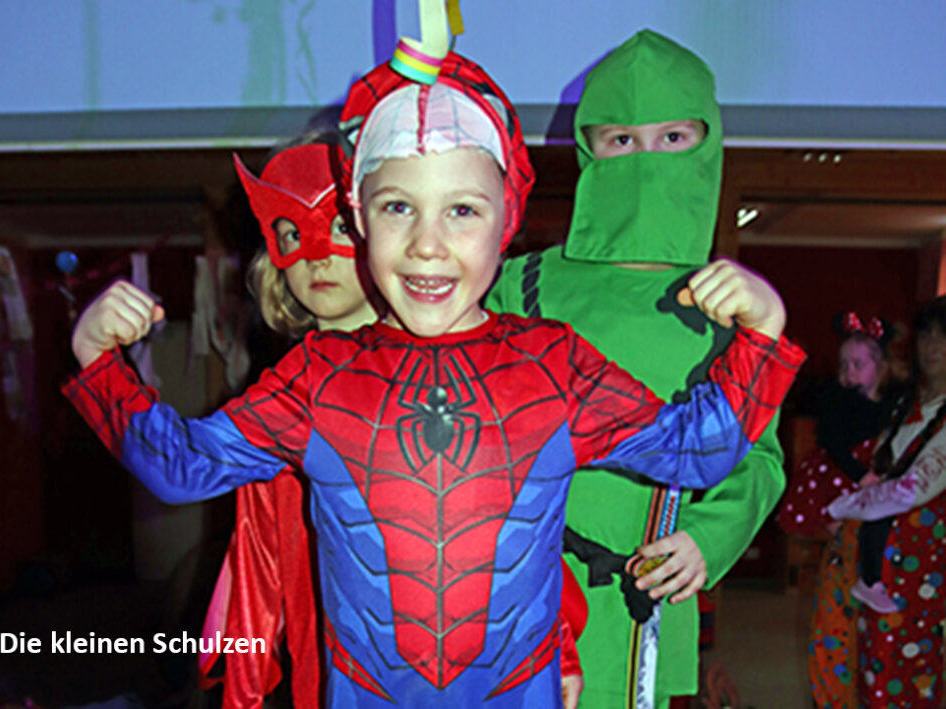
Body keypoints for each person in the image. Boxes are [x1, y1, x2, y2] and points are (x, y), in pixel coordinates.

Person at [62, 44, 803, 706]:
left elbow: (697, 451)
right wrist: (101, 365)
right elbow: (182, 465)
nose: (427, 245)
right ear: (360, 215)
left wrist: (760, 337)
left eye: (461, 210)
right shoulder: (317, 374)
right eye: (396, 207)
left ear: (506, 217)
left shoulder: (555, 362)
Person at [486, 29, 786, 707]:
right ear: (590, 149)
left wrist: (709, 538)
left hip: (647, 591)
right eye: (622, 139)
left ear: (706, 144)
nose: (645, 158)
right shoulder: (518, 284)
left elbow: (758, 458)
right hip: (518, 582)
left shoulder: (729, 302)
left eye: (672, 138)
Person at [198, 139, 377, 709]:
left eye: (339, 228)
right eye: (293, 233)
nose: (315, 255)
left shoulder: (449, 377)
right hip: (319, 648)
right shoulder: (280, 397)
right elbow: (259, 549)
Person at [828, 296, 946, 707]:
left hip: (922, 569)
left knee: (909, 666)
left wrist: (844, 507)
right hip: (874, 558)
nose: (932, 347)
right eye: (927, 336)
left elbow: (915, 487)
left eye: (943, 338)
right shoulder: (903, 404)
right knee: (867, 659)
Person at [776, 312, 894, 708]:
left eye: (858, 365)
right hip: (846, 482)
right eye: (844, 365)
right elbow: (834, 444)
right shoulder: (840, 406)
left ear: (881, 368)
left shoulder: (895, 408)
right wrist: (861, 475)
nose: (848, 373)